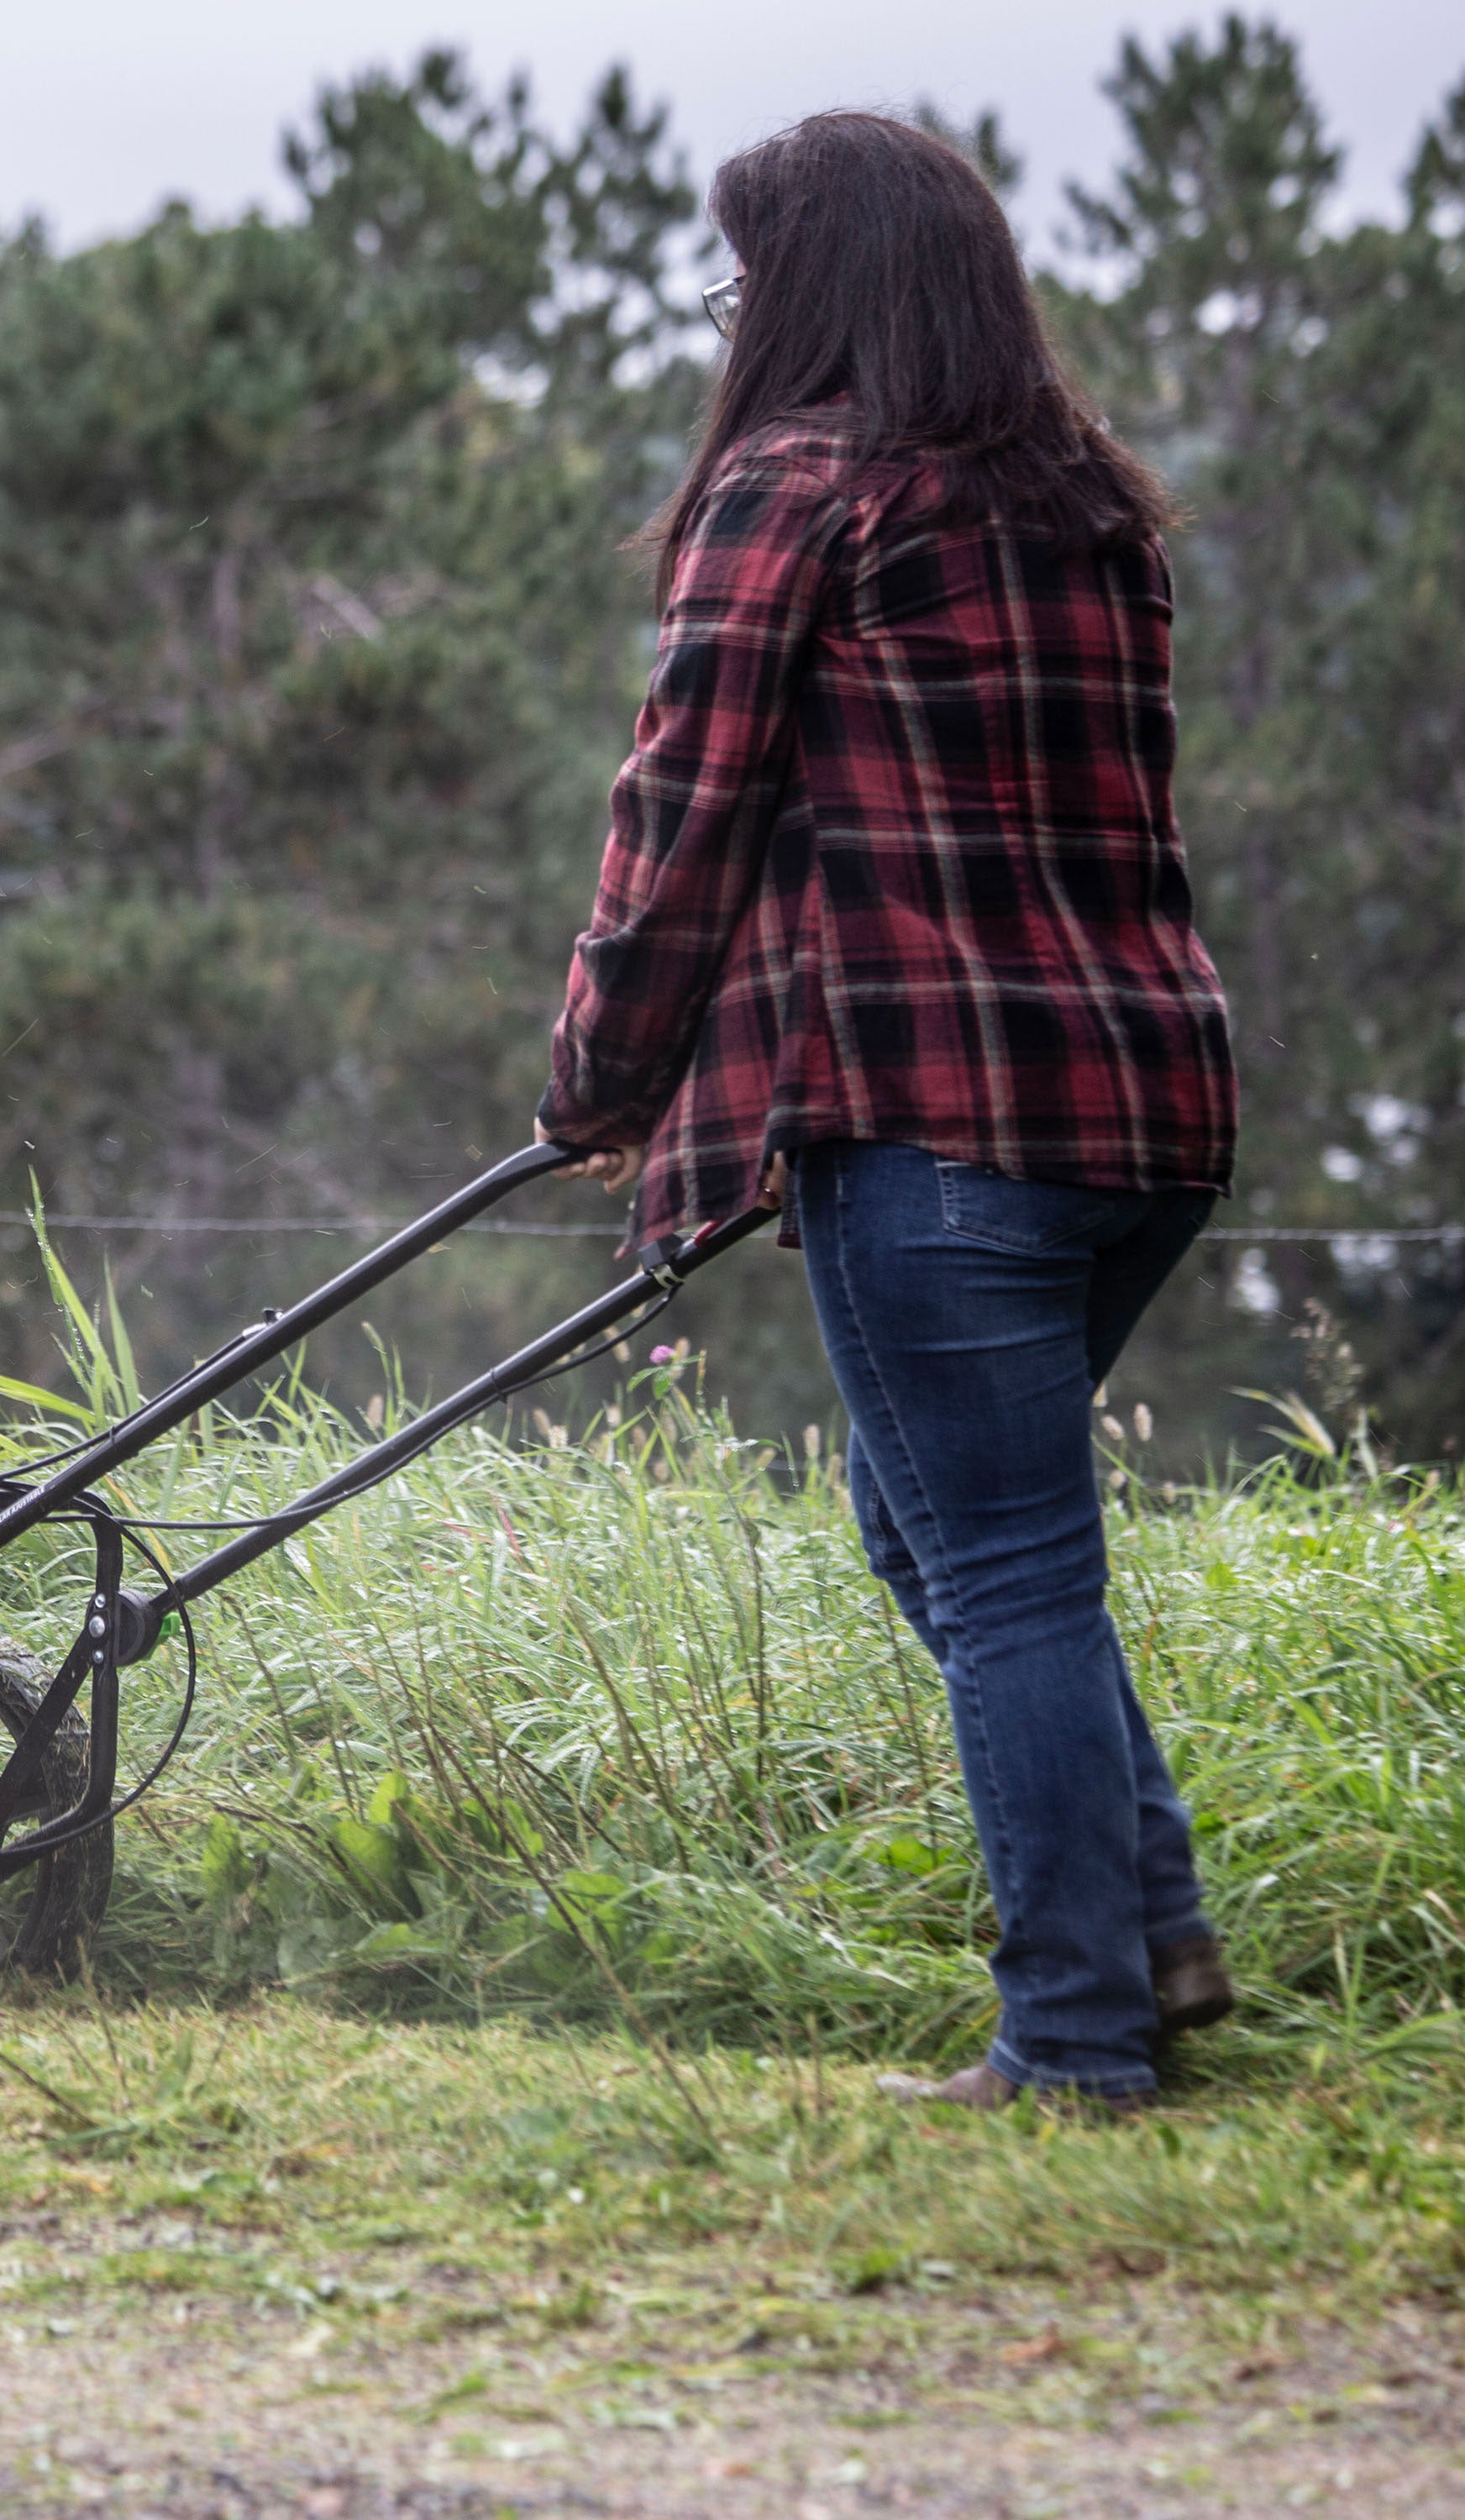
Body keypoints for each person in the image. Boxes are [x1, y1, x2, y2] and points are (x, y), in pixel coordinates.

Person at [535, 112, 1238, 2112]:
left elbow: (681, 820)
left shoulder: (799, 486)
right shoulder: (1088, 502)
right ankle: (1155, 1936)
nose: (733, 313)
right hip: (1150, 1108)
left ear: (810, 286)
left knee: (1002, 1566)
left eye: (744, 277)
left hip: (941, 1127)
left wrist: (599, 1081)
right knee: (941, 1527)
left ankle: (1075, 2040)